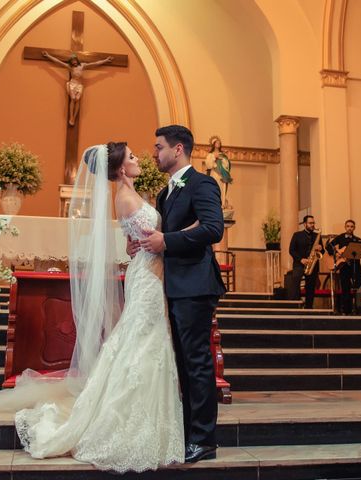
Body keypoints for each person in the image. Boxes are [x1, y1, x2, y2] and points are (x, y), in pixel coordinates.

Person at [0, 143, 184, 472]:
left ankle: (141, 414)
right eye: (131, 157)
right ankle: (127, 420)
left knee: (140, 341)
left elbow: (138, 241)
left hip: (146, 273)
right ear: (119, 169)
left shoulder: (127, 194)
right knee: (142, 342)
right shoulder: (127, 197)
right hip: (147, 275)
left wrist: (144, 245)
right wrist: (170, 242)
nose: (137, 159)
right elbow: (151, 242)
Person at [129, 125, 226, 463]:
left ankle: (204, 439)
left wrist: (166, 241)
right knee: (182, 362)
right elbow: (162, 235)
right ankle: (186, 433)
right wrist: (145, 243)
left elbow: (213, 228)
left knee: (197, 362)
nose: (154, 153)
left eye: (159, 147)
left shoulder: (202, 183)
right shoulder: (165, 192)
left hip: (195, 285)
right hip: (171, 285)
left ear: (178, 149)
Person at [41, 52, 113, 126]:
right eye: (72, 61)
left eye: (74, 60)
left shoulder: (82, 66)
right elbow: (58, 62)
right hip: (72, 83)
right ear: (71, 62)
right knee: (73, 98)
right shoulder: (70, 67)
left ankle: (74, 118)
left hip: (79, 84)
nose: (74, 62)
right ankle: (71, 116)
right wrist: (48, 55)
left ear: (77, 60)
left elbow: (95, 64)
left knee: (77, 99)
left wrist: (106, 60)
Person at [326, 219, 361, 314]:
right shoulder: (340, 237)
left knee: (358, 286)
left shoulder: (358, 240)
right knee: (345, 288)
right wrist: (337, 252)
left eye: (352, 226)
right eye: (348, 226)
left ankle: (359, 309)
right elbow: (328, 246)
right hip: (344, 266)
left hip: (355, 265)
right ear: (345, 227)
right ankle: (346, 310)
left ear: (354, 228)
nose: (350, 228)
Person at [289, 215, 324, 309]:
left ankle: (309, 307)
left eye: (313, 223)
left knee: (310, 287)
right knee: (295, 284)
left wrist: (320, 249)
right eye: (310, 223)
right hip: (299, 264)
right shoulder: (297, 235)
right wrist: (301, 259)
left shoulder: (317, 236)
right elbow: (291, 250)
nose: (312, 225)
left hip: (312, 265)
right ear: (304, 224)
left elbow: (323, 252)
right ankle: (294, 306)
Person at [204, 136, 232, 209]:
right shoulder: (210, 155)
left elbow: (227, 164)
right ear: (213, 144)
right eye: (217, 143)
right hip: (214, 174)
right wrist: (214, 157)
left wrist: (223, 160)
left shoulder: (223, 155)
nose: (218, 144)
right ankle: (213, 202)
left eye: (219, 143)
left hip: (221, 175)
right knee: (214, 187)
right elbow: (208, 165)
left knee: (221, 189)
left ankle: (221, 204)